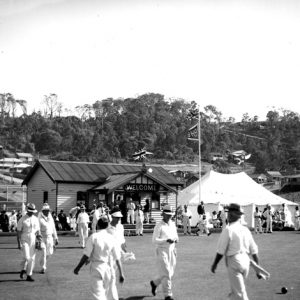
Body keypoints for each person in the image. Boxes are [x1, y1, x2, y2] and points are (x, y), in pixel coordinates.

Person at [211, 203, 260, 300]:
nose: (228, 215)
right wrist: (257, 268)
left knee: (240, 295)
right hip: (246, 262)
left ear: (232, 215)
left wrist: (215, 264)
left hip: (235, 261)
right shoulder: (245, 230)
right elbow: (254, 250)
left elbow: (221, 251)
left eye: (229, 213)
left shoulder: (228, 230)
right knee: (235, 292)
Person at [74, 215, 125, 300]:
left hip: (96, 268)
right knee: (106, 294)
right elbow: (117, 258)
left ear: (97, 225)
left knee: (98, 295)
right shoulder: (111, 238)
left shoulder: (94, 237)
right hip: (108, 268)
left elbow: (86, 255)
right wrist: (121, 273)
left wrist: (78, 268)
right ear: (107, 225)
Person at [150, 205, 178, 300]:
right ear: (163, 214)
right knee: (166, 272)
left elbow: (176, 236)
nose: (170, 216)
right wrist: (166, 240)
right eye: (168, 215)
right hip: (162, 250)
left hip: (172, 250)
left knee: (170, 273)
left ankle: (154, 283)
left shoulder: (173, 224)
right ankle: (168, 295)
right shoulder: (159, 226)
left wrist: (175, 240)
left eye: (171, 215)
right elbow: (154, 240)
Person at [17, 203, 42, 282]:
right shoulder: (22, 219)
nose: (32, 212)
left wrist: (39, 238)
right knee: (27, 257)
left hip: (33, 239)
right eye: (30, 211)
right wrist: (19, 243)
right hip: (24, 238)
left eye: (33, 211)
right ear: (27, 210)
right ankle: (23, 269)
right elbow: (18, 232)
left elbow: (38, 230)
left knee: (32, 258)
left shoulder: (35, 219)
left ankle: (28, 274)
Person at [38, 204, 59, 274]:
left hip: (50, 238)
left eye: (48, 211)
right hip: (42, 238)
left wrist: (56, 238)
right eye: (46, 211)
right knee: (44, 252)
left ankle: (41, 262)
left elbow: (53, 228)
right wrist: (38, 239)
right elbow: (38, 229)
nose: (47, 212)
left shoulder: (50, 218)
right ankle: (43, 267)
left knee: (49, 253)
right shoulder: (40, 218)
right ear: (43, 211)